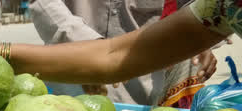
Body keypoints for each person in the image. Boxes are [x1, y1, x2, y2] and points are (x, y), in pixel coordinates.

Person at [0, 0, 233, 90]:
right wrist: (85, 51)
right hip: (69, 71)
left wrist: (193, 40)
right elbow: (44, 5)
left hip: (148, 73)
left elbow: (192, 12)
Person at [29, 0, 216, 104]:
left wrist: (199, 37)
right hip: (74, 73)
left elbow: (196, 7)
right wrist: (86, 47)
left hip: (145, 82)